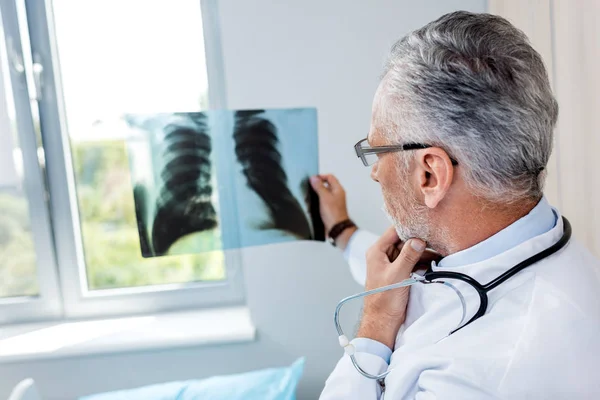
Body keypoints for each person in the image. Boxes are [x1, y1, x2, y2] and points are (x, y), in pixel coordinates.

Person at [310, 11, 600, 400]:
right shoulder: (514, 237)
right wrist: (342, 231)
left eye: (378, 150)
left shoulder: (484, 376)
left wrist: (375, 326)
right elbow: (405, 277)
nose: (375, 172)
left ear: (430, 174)